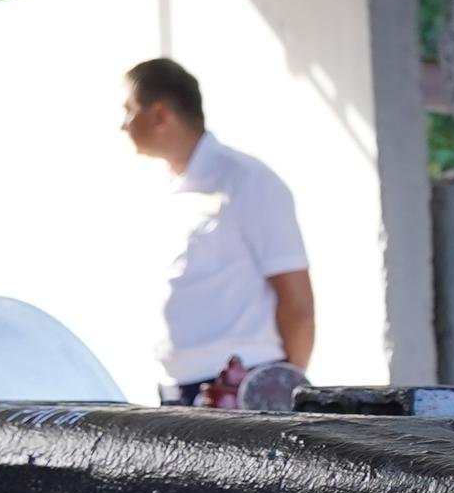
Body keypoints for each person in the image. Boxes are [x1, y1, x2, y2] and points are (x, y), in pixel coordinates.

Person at [118, 57, 314, 406]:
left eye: (129, 110)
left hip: (241, 386)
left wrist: (277, 393)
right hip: (177, 389)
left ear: (160, 114)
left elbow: (298, 305)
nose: (123, 125)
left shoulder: (249, 180)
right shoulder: (164, 191)